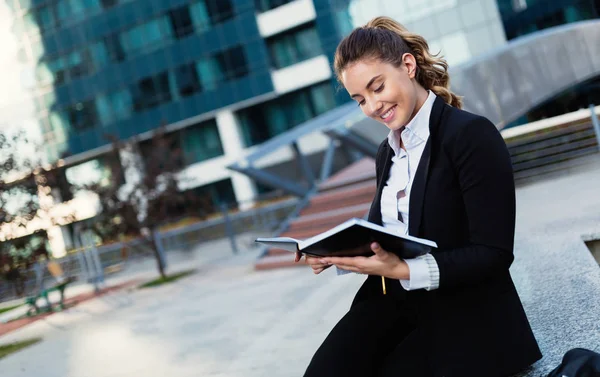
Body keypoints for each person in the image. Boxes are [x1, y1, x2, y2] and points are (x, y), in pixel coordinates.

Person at [295, 16, 542, 377]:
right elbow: (381, 234)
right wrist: (333, 251)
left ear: (408, 66)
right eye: (360, 99)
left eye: (377, 87)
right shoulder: (387, 152)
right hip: (393, 303)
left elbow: (495, 253)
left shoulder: (471, 135)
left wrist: (405, 269)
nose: (372, 107)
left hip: (463, 312)